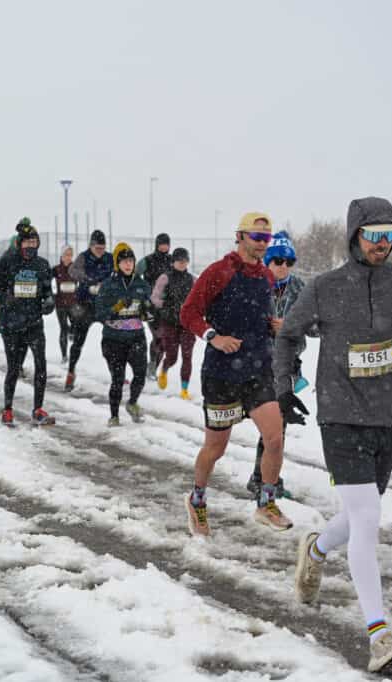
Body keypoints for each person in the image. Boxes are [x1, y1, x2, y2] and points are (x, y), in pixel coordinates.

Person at [281, 197, 392, 674]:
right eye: (373, 236)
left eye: (390, 236)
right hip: (340, 414)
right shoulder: (326, 287)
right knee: (368, 515)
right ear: (354, 235)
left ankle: (315, 548)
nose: (382, 245)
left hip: (390, 415)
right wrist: (283, 386)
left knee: (358, 512)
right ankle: (378, 633)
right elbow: (288, 333)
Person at [180, 212, 292, 535]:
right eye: (257, 237)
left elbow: (257, 318)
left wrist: (273, 327)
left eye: (266, 238)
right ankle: (197, 500)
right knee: (216, 448)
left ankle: (266, 502)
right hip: (222, 373)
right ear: (240, 236)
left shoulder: (266, 278)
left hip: (257, 369)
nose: (262, 243)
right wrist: (214, 336)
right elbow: (188, 313)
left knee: (274, 438)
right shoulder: (218, 272)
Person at [246, 231, 312, 499]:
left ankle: (261, 476)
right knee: (274, 423)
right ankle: (263, 477)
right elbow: (240, 321)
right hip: (259, 363)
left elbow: (317, 324)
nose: (283, 267)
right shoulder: (254, 284)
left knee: (278, 423)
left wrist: (291, 326)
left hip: (287, 364)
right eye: (278, 261)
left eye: (288, 262)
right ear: (268, 262)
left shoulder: (300, 289)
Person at [0, 218, 55, 426]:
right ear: (19, 243)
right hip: (12, 325)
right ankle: (7, 409)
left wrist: (49, 302)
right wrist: (5, 299)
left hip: (34, 323)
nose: (30, 246)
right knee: (14, 368)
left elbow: (47, 291)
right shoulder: (6, 262)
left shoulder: (42, 265)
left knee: (41, 366)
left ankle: (38, 409)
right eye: (26, 242)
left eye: (34, 242)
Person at [95, 243, 152, 426]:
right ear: (117, 264)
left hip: (136, 337)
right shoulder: (108, 285)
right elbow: (100, 313)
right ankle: (114, 415)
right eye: (124, 262)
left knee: (140, 374)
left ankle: (133, 402)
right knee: (118, 379)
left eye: (131, 261)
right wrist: (118, 306)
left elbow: (147, 311)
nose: (128, 265)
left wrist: (147, 311)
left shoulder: (141, 284)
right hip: (114, 339)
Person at [66, 230, 113, 391]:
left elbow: (116, 273)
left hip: (103, 305)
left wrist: (106, 284)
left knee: (112, 341)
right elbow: (72, 270)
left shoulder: (109, 258)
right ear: (91, 246)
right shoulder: (83, 257)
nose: (100, 251)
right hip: (85, 304)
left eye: (102, 248)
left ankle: (116, 373)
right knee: (78, 342)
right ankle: (71, 371)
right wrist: (87, 279)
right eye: (97, 248)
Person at [151, 247, 195, 399]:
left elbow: (198, 298)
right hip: (169, 322)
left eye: (185, 261)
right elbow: (154, 298)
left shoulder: (192, 279)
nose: (182, 264)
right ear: (173, 262)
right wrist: (167, 306)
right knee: (172, 356)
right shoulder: (165, 278)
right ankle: (164, 368)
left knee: (187, 356)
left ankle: (184, 389)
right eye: (179, 261)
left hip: (187, 323)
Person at [137, 233, 174, 376]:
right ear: (157, 245)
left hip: (166, 306)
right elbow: (134, 276)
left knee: (164, 340)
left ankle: (152, 367)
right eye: (162, 244)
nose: (164, 247)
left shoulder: (172, 261)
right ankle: (152, 366)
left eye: (166, 244)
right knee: (158, 336)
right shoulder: (147, 261)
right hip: (149, 305)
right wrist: (143, 291)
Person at [53, 245, 78, 362]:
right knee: (63, 328)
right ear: (61, 256)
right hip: (60, 304)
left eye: (70, 255)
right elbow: (49, 283)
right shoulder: (56, 269)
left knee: (75, 324)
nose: (68, 257)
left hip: (73, 304)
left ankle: (72, 332)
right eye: (66, 255)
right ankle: (64, 355)